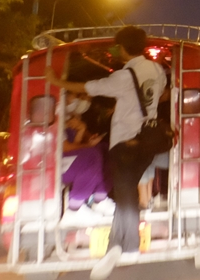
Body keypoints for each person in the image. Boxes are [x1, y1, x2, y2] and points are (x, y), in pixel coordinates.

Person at [47, 26, 166, 280]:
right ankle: (116, 243)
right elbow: (159, 93)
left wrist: (57, 82)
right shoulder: (157, 71)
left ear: (122, 48)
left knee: (126, 194)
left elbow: (91, 87)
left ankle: (128, 247)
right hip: (148, 142)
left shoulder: (125, 76)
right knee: (125, 192)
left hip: (125, 142)